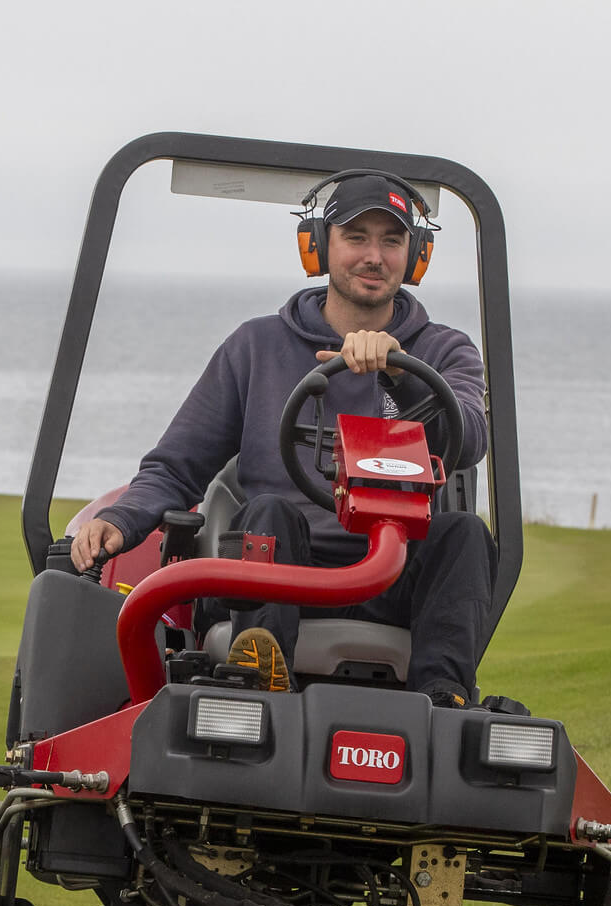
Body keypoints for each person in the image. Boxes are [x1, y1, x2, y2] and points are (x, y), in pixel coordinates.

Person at [69, 172, 495, 705]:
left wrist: (401, 374)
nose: (374, 256)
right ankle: (262, 671)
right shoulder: (255, 347)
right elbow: (177, 466)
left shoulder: (444, 352)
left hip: (393, 578)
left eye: (391, 240)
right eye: (356, 237)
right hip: (280, 575)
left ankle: (445, 700)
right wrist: (123, 519)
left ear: (414, 256)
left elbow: (471, 438)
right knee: (267, 510)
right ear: (319, 246)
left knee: (466, 534)